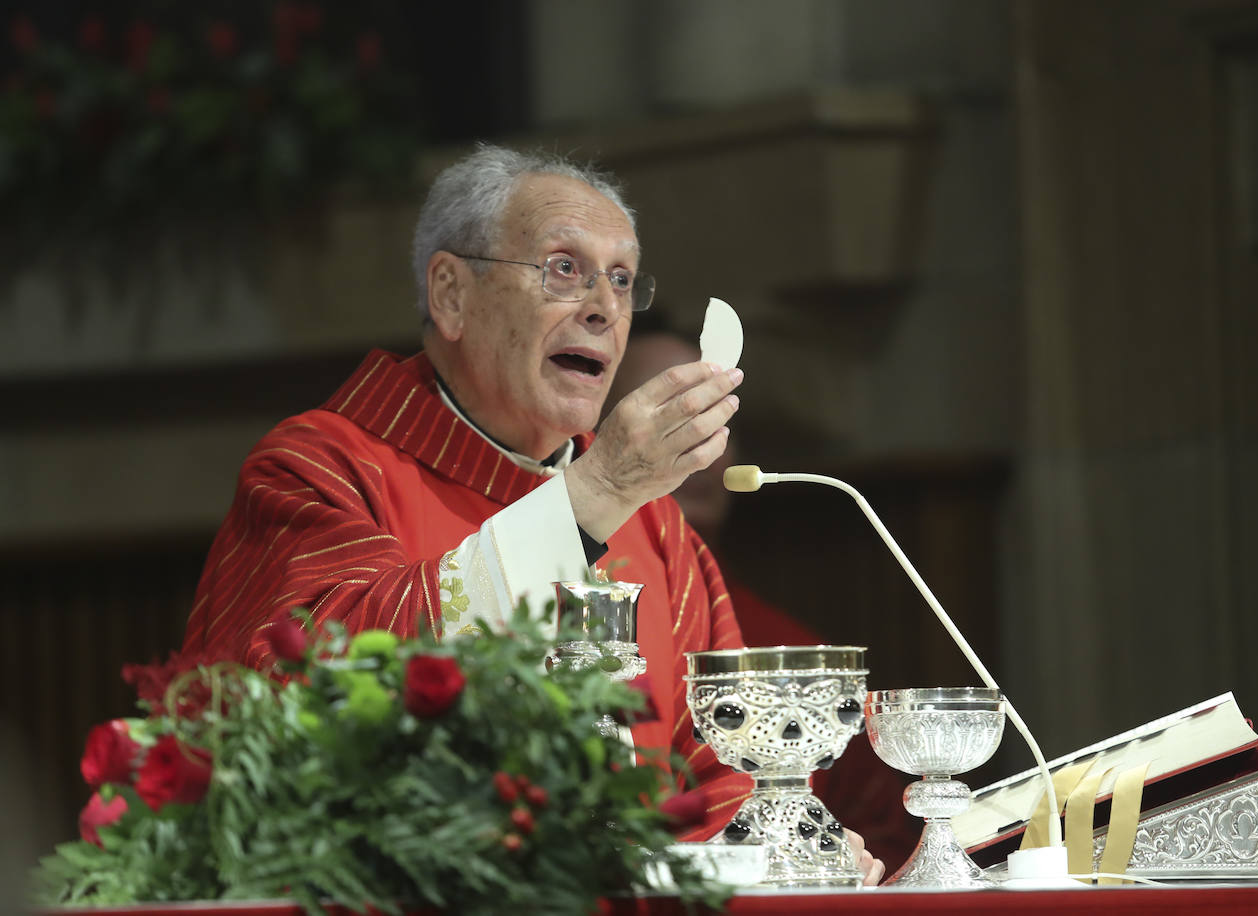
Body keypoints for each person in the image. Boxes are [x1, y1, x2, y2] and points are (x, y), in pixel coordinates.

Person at [184, 144, 883, 884]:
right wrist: (597, 493)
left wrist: (782, 858)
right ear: (451, 294)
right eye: (563, 269)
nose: (604, 308)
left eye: (620, 280)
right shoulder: (323, 469)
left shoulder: (655, 527)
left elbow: (722, 774)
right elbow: (315, 699)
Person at [604, 320, 916, 870]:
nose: (703, 452)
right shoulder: (585, 598)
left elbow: (884, 834)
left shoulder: (787, 644)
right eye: (672, 418)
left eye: (715, 423)